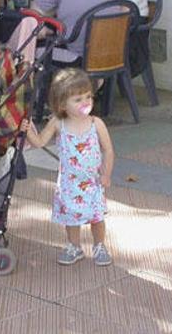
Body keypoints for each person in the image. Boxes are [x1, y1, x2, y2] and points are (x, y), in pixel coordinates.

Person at [24, 68, 115, 266]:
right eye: (78, 99)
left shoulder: (96, 123)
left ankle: (99, 245)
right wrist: (28, 131)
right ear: (62, 104)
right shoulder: (58, 123)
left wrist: (106, 174)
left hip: (92, 181)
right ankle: (74, 246)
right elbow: (39, 142)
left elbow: (108, 150)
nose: (86, 103)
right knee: (70, 217)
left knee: (97, 217)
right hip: (68, 183)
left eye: (88, 97)